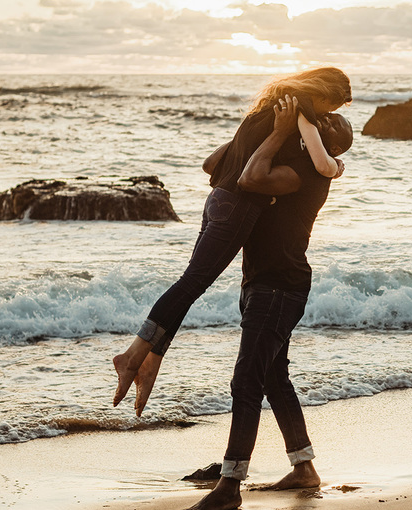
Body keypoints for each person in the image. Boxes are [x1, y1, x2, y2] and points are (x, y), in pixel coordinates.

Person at [112, 67, 351, 415]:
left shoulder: (262, 111)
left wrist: (247, 145)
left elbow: (211, 164)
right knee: (191, 283)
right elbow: (321, 165)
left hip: (215, 203)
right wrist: (337, 165)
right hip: (238, 206)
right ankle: (133, 355)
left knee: (191, 284)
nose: (329, 115)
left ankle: (151, 361)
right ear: (322, 95)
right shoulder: (298, 112)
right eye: (331, 108)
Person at [180, 95, 351, 510]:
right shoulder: (287, 155)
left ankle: (230, 484)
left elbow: (250, 179)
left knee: (246, 382)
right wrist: (253, 131)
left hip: (279, 287)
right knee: (275, 379)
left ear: (324, 145)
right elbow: (214, 165)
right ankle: (304, 467)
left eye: (326, 125)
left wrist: (277, 133)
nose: (317, 122)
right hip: (263, 283)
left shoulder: (305, 173)